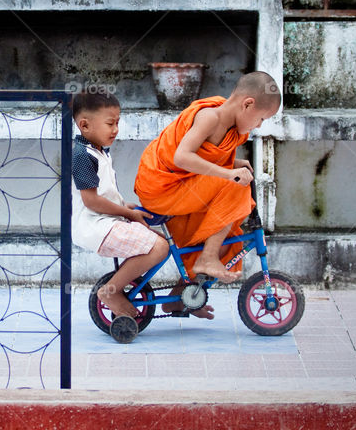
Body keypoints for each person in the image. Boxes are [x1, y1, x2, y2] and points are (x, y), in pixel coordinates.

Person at [134, 71, 281, 284]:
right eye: (261, 118)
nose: (258, 125)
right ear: (247, 104)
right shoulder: (210, 117)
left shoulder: (231, 127)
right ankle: (208, 257)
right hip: (160, 187)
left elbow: (208, 157)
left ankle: (185, 295)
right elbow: (182, 157)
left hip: (181, 186)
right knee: (236, 187)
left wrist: (233, 164)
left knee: (227, 231)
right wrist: (229, 173)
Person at [71, 90, 169, 318]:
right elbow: (91, 200)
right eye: (110, 123)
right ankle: (111, 291)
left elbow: (105, 193)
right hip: (95, 226)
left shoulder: (99, 152)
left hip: (106, 222)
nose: (116, 129)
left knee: (161, 241)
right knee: (159, 247)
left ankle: (120, 284)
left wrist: (127, 206)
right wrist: (127, 212)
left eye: (117, 122)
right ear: (85, 126)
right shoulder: (82, 155)